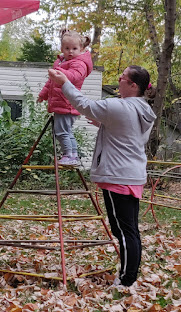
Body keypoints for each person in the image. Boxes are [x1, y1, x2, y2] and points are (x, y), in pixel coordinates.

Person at [48, 65, 157, 287]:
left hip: (119, 176)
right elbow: (128, 132)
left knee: (126, 231)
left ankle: (127, 280)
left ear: (133, 85)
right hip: (129, 174)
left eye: (123, 76)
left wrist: (64, 84)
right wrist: (104, 123)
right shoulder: (143, 109)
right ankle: (129, 274)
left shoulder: (120, 106)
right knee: (126, 229)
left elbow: (85, 105)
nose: (119, 78)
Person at [37, 29, 93, 166]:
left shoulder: (79, 63)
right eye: (67, 48)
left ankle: (68, 154)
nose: (70, 51)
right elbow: (51, 82)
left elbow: (74, 76)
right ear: (62, 48)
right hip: (61, 103)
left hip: (66, 103)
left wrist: (59, 72)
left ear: (81, 49)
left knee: (61, 132)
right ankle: (73, 155)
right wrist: (43, 94)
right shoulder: (61, 62)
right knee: (67, 131)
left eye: (74, 48)